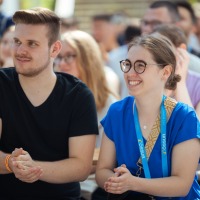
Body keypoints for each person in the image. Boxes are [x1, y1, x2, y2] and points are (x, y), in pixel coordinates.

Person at [0, 7, 98, 200]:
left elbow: (81, 167)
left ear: (55, 49)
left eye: (32, 44)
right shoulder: (1, 84)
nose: (20, 51)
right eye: (17, 42)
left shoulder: (78, 95)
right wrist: (11, 163)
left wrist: (32, 168)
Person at [95, 34, 200, 199]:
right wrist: (116, 181)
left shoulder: (184, 117)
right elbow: (102, 171)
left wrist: (132, 183)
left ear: (165, 72)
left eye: (140, 66)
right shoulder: (117, 111)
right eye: (127, 65)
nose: (130, 73)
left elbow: (182, 185)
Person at [55, 30, 119, 199]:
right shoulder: (52, 98)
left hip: (90, 189)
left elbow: (108, 160)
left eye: (69, 56)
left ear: (88, 59)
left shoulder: (109, 105)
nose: (62, 64)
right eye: (59, 57)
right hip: (51, 182)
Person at [152, 24, 200, 119]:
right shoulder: (147, 79)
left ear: (181, 49)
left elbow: (194, 128)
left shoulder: (198, 84)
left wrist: (179, 81)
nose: (155, 54)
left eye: (161, 47)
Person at [141, 0, 200, 74]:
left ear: (175, 26)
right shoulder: (127, 57)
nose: (147, 29)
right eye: (145, 23)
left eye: (156, 23)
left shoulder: (195, 68)